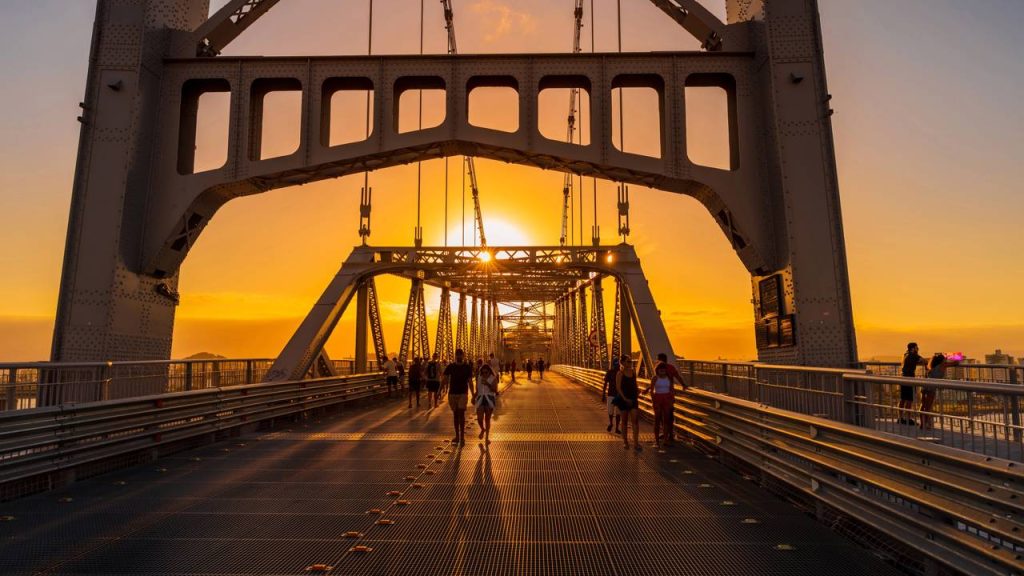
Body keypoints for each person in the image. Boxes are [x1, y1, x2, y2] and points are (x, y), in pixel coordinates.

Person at [645, 352, 687, 447]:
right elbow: (654, 385)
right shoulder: (663, 372)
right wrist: (683, 385)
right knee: (664, 418)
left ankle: (666, 438)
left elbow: (667, 384)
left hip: (666, 398)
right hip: (661, 398)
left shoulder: (666, 373)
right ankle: (666, 437)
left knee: (664, 419)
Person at [443, 349, 475, 446]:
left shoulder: (467, 367)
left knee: (461, 413)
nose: (459, 356)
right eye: (457, 355)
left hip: (463, 393)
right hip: (452, 393)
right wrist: (439, 391)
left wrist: (473, 395)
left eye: (460, 355)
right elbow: (444, 379)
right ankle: (457, 436)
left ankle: (462, 438)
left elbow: (470, 382)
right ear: (455, 356)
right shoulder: (451, 366)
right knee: (455, 415)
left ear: (463, 356)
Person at [921, 352, 958, 430]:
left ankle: (922, 424)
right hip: (931, 387)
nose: (946, 359)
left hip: (924, 385)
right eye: (944, 359)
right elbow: (956, 362)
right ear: (942, 360)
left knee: (923, 405)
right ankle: (926, 424)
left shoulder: (931, 365)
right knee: (928, 407)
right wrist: (949, 355)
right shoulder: (943, 365)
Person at [613, 355, 641, 451]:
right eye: (628, 361)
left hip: (633, 398)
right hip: (623, 399)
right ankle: (625, 442)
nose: (630, 363)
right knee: (624, 421)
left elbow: (635, 383)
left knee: (635, 420)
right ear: (623, 362)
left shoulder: (633, 372)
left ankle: (636, 443)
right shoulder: (620, 373)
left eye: (631, 361)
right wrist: (625, 399)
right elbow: (618, 388)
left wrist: (637, 391)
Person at [899, 342, 926, 425]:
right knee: (909, 400)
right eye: (917, 348)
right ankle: (908, 419)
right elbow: (924, 361)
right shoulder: (914, 356)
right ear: (913, 348)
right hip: (910, 378)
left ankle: (900, 418)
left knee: (903, 399)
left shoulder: (905, 354)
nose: (918, 349)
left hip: (903, 378)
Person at [474, 363, 499, 444]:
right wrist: (473, 397)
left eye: (486, 372)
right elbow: (477, 390)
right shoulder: (479, 377)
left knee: (487, 419)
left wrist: (488, 384)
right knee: (479, 418)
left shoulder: (493, 378)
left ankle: (487, 438)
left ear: (489, 371)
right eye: (483, 372)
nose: (484, 374)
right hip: (480, 398)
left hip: (489, 399)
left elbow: (495, 390)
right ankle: (482, 429)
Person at [603, 358, 622, 434]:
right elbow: (605, 383)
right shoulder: (610, 372)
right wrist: (603, 394)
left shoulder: (620, 373)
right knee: (612, 412)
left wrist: (603, 394)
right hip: (613, 394)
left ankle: (615, 426)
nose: (617, 366)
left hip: (615, 395)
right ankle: (612, 424)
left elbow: (605, 384)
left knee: (616, 413)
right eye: (616, 364)